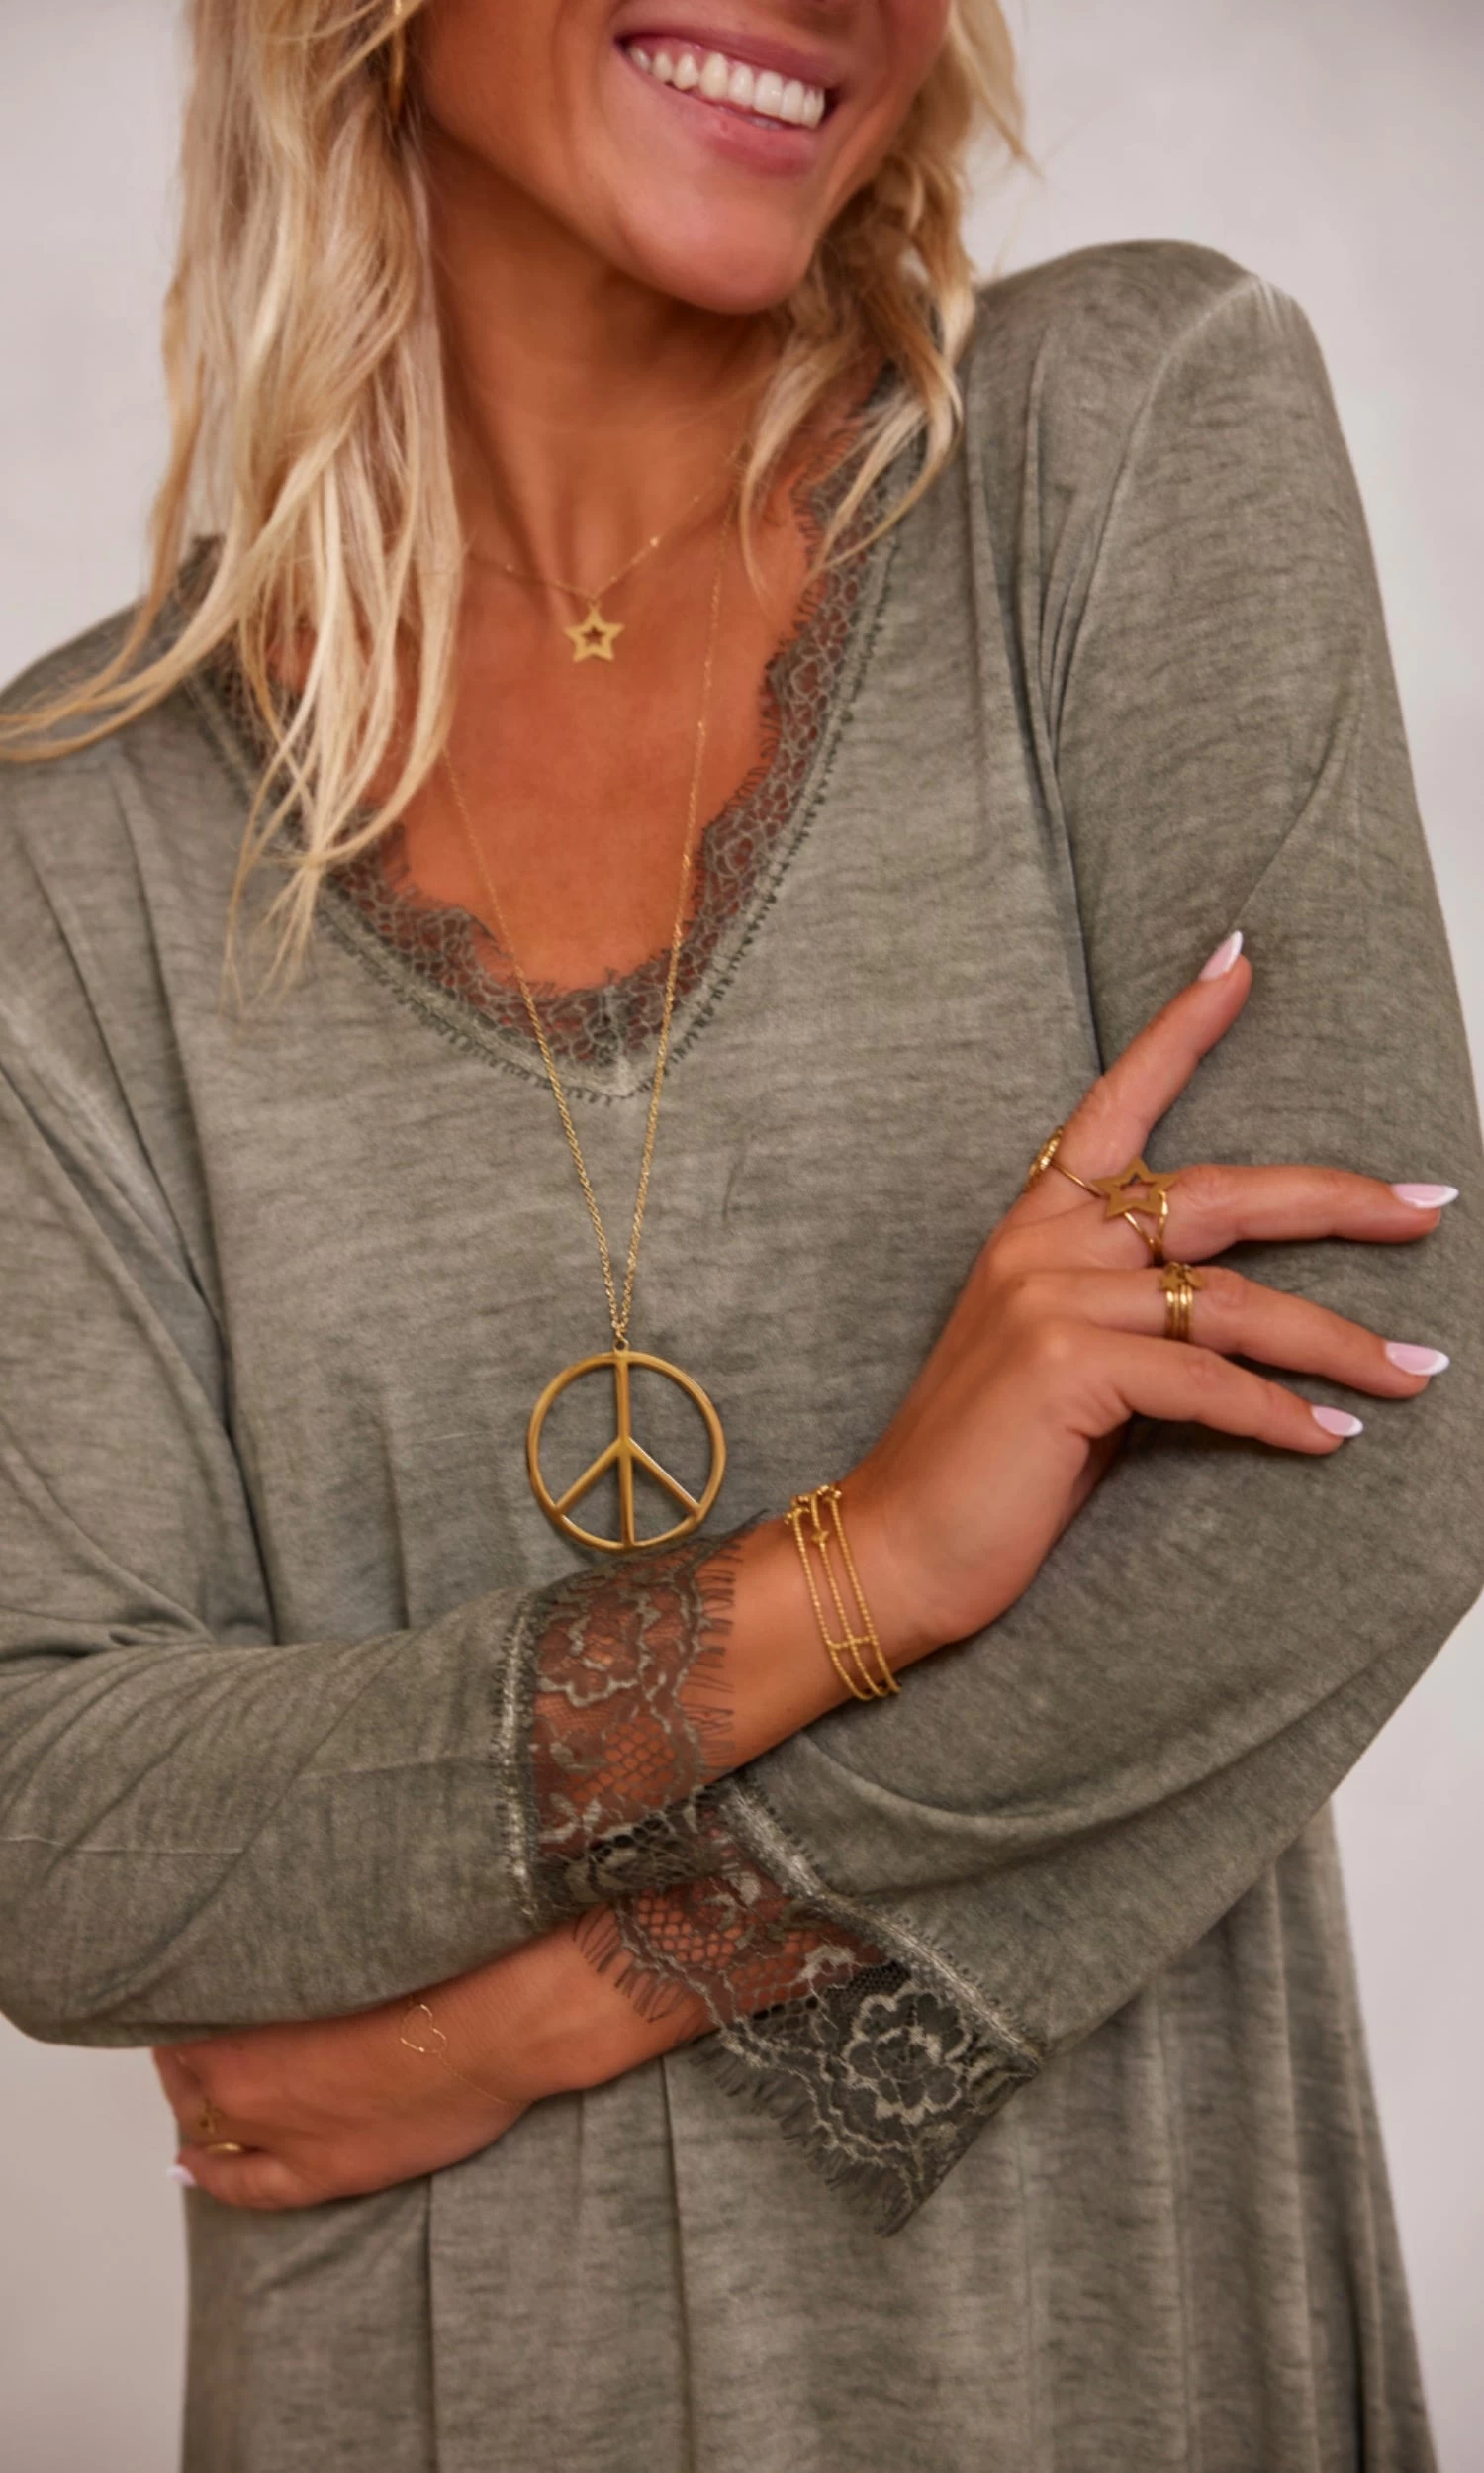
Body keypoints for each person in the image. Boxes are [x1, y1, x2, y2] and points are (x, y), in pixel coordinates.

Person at [1, 1, 1479, 2466]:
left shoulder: (1117, 443)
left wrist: (536, 2016)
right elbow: (60, 1822)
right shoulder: (74, 846)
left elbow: (1385, 1439)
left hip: (1103, 2353)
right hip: (442, 2387)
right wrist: (857, 1566)